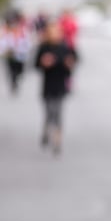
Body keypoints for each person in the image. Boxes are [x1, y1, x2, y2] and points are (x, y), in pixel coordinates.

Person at [34, 20, 76, 155]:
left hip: (60, 86)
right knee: (48, 112)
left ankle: (57, 142)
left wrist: (69, 64)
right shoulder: (44, 48)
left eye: (57, 32)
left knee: (58, 113)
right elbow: (35, 65)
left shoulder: (65, 48)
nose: (55, 35)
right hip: (47, 86)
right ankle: (46, 131)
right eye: (52, 32)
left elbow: (71, 67)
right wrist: (43, 63)